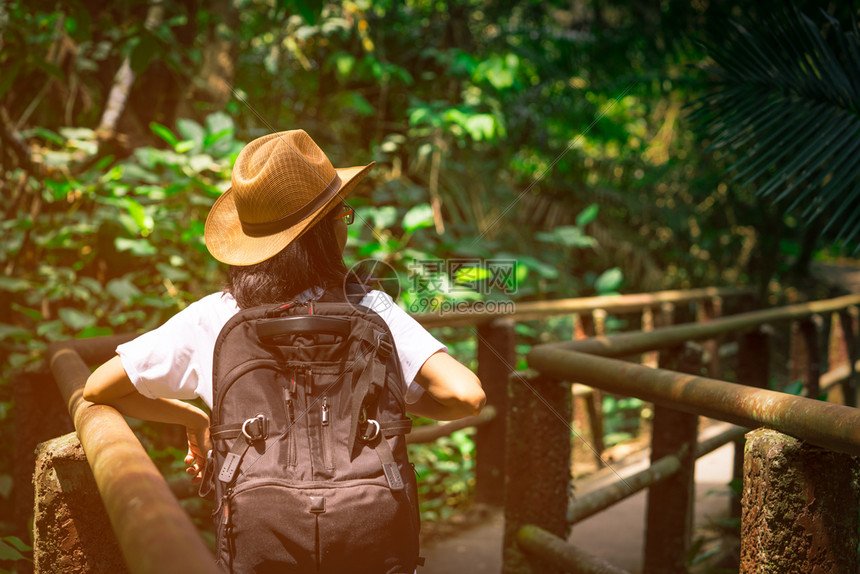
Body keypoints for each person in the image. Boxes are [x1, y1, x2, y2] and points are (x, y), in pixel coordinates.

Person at [83, 129, 486, 487]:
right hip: (369, 533)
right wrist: (390, 399)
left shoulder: (212, 317)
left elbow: (99, 387)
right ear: (326, 233)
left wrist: (195, 419)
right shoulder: (366, 306)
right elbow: (466, 396)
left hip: (262, 540)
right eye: (343, 213)